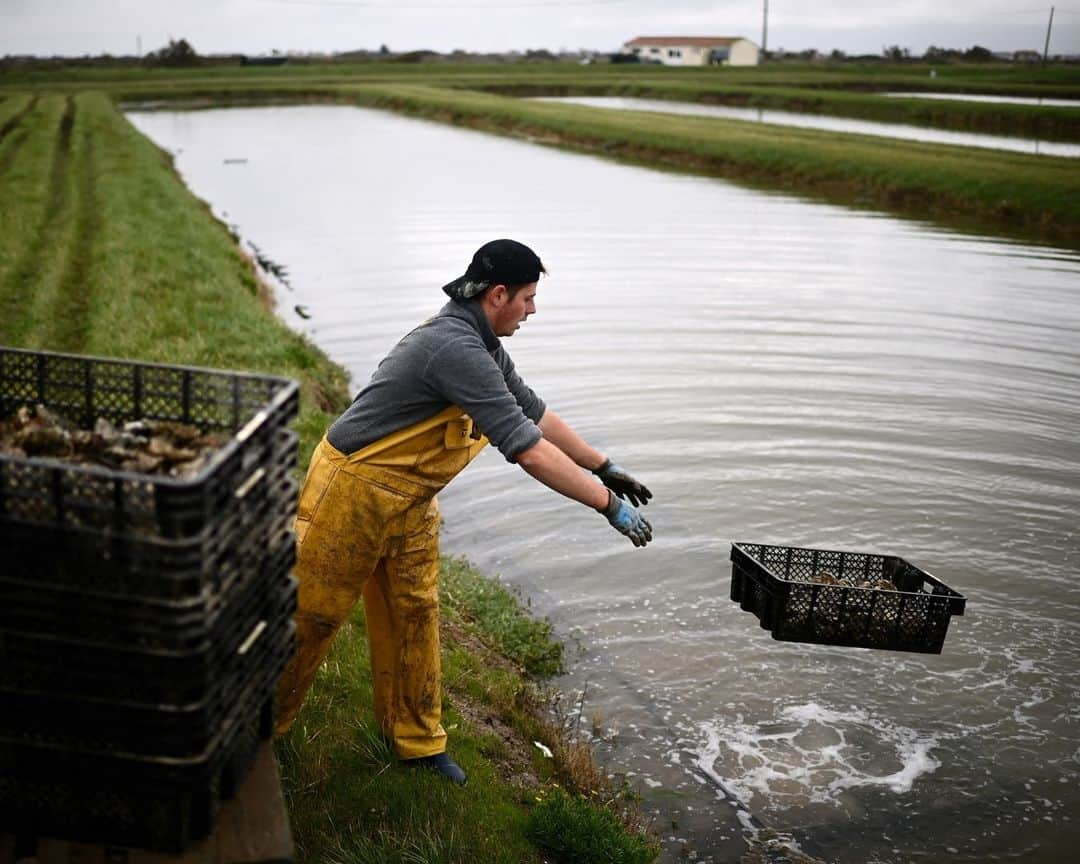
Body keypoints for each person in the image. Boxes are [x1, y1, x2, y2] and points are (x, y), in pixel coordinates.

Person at [274, 239, 653, 785]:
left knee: (414, 614)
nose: (533, 309)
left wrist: (604, 464)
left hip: (409, 499)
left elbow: (534, 411)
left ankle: (416, 741)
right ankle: (261, 734)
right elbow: (526, 448)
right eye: (528, 297)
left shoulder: (482, 342)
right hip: (353, 491)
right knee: (312, 615)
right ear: (498, 295)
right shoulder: (453, 348)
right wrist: (607, 505)